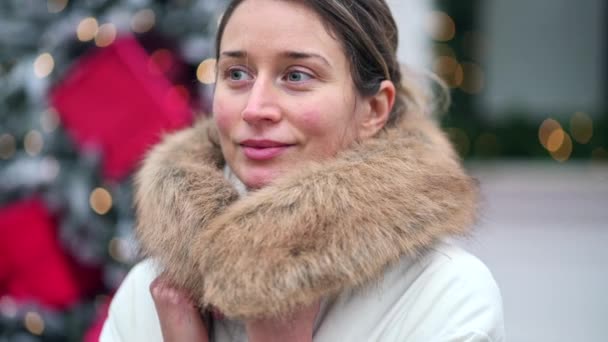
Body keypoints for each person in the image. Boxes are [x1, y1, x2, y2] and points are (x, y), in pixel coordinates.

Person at [101, 0, 505, 341]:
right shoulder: (151, 291)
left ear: (374, 109)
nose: (255, 108)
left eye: (296, 76)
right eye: (237, 74)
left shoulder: (446, 292)